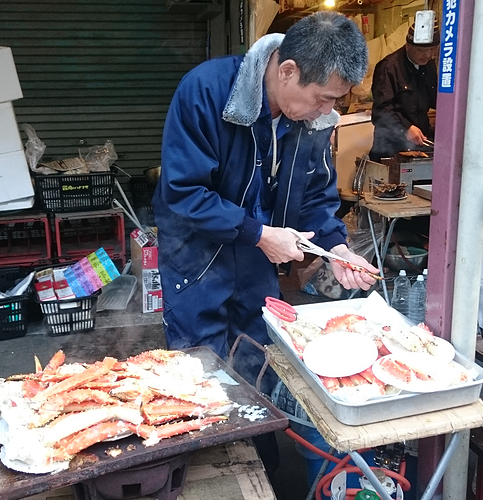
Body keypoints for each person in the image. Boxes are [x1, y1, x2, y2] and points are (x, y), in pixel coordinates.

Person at [153, 11, 378, 386]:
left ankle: (262, 443)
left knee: (262, 364)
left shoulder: (314, 119)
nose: (328, 111)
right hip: (197, 259)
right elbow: (184, 191)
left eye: (334, 101)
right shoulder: (207, 90)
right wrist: (258, 233)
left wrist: (335, 247)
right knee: (201, 376)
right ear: (287, 70)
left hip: (258, 261)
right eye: (323, 98)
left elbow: (316, 196)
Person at [369, 22, 438, 161]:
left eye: (432, 49)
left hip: (419, 146)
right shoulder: (389, 67)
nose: (428, 55)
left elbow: (435, 100)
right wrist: (405, 128)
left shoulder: (429, 66)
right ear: (408, 45)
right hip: (390, 148)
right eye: (422, 50)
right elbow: (380, 111)